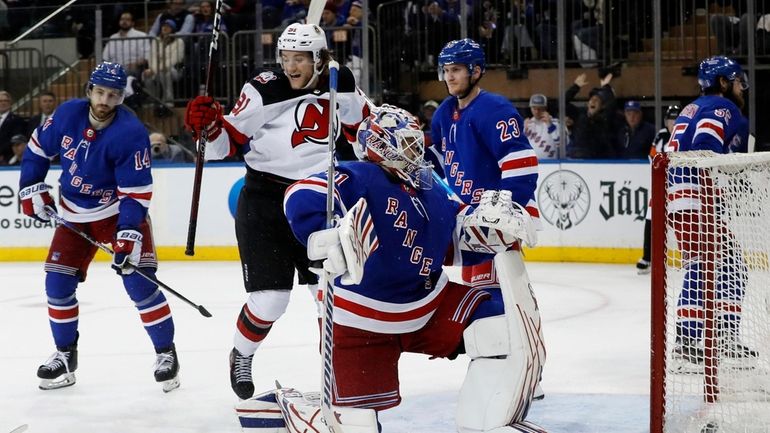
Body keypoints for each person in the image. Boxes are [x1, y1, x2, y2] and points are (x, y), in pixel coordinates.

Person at [238, 105, 545, 433]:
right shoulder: (360, 175)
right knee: (357, 427)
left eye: (416, 141)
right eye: (408, 142)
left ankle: (486, 423)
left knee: (498, 325)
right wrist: (322, 230)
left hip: (428, 306)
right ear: (382, 144)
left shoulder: (429, 184)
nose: (417, 149)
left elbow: (450, 241)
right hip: (361, 322)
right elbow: (301, 193)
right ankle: (295, 411)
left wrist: (486, 233)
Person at [183, 22, 370, 400]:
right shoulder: (263, 88)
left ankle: (338, 374)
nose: (290, 66)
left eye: (299, 58)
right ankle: (242, 354)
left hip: (320, 199)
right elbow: (221, 147)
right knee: (270, 299)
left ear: (320, 58)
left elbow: (364, 129)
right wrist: (206, 128)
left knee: (329, 293)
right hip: (265, 202)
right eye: (285, 58)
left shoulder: (341, 81)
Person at [17, 62, 180, 392]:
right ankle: (65, 355)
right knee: (57, 284)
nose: (105, 101)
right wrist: (30, 187)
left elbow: (135, 192)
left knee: (139, 282)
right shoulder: (66, 114)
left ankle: (167, 354)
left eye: (114, 95)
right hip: (74, 213)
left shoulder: (131, 132)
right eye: (100, 92)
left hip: (117, 214)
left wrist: (128, 233)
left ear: (121, 98)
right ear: (90, 90)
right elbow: (36, 150)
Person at [429, 38, 544, 400]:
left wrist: (508, 212)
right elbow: (433, 164)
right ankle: (512, 364)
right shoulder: (444, 113)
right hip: (469, 222)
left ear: (476, 71)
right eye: (446, 70)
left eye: (457, 70)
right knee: (487, 296)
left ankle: (520, 369)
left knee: (494, 297)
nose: (450, 77)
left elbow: (520, 164)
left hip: (496, 223)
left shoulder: (495, 109)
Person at [664, 56, 755, 365]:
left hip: (681, 194)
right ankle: (687, 345)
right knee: (705, 265)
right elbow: (705, 141)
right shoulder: (721, 107)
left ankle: (724, 339)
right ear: (722, 83)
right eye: (737, 80)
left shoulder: (693, 107)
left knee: (729, 265)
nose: (742, 87)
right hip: (695, 196)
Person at [635, 104, 679, 275]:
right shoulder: (661, 136)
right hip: (662, 184)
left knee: (686, 219)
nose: (672, 123)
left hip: (682, 184)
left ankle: (697, 256)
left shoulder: (684, 134)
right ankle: (647, 257)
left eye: (675, 120)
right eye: (670, 120)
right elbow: (652, 157)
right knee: (650, 217)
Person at [564, 72, 619, 159]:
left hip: (598, 162)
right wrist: (575, 87)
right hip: (577, 161)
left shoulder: (605, 119)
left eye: (597, 100)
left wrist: (606, 87)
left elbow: (612, 105)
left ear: (602, 106)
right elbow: (561, 104)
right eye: (591, 99)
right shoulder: (579, 115)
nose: (593, 101)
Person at [143, 19, 186, 107]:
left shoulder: (179, 42)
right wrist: (151, 69)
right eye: (163, 26)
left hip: (175, 70)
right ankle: (154, 99)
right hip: (156, 69)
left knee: (165, 72)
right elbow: (152, 58)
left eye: (168, 26)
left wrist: (155, 69)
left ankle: (168, 100)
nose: (165, 28)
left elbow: (175, 59)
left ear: (173, 29)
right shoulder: (156, 41)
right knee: (145, 74)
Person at [102, 11, 150, 78]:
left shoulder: (142, 36)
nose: (124, 21)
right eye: (122, 19)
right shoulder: (113, 38)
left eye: (127, 19)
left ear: (132, 23)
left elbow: (147, 57)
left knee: (123, 72)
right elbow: (105, 58)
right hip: (114, 68)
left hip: (133, 68)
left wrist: (136, 64)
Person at [524, 93, 560, 159]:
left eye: (540, 108)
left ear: (545, 108)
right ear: (530, 108)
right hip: (532, 164)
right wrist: (523, 132)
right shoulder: (527, 124)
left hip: (551, 164)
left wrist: (550, 125)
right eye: (534, 108)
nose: (537, 111)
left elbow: (560, 143)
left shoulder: (555, 123)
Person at [0, 91, 27, 165]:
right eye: (0, 101)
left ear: (10, 103)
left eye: (6, 100)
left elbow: (15, 140)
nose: (3, 103)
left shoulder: (17, 120)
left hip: (6, 159)